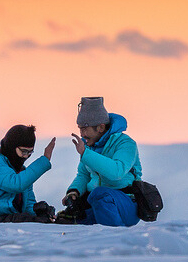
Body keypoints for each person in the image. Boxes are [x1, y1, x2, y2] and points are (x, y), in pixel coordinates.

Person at [57, 97, 142, 226]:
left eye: (85, 129)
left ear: (101, 127)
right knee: (66, 220)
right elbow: (84, 175)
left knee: (99, 194)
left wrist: (86, 153)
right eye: (80, 129)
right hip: (98, 203)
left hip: (127, 204)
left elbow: (117, 172)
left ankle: (115, 237)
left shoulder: (125, 144)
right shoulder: (90, 147)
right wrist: (74, 191)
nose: (82, 134)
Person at [0, 125, 56, 223]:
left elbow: (28, 205)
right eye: (23, 151)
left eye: (30, 152)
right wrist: (44, 160)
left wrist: (38, 211)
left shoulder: (21, 171)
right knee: (20, 219)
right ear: (12, 146)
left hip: (6, 220)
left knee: (34, 220)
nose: (26, 156)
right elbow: (15, 184)